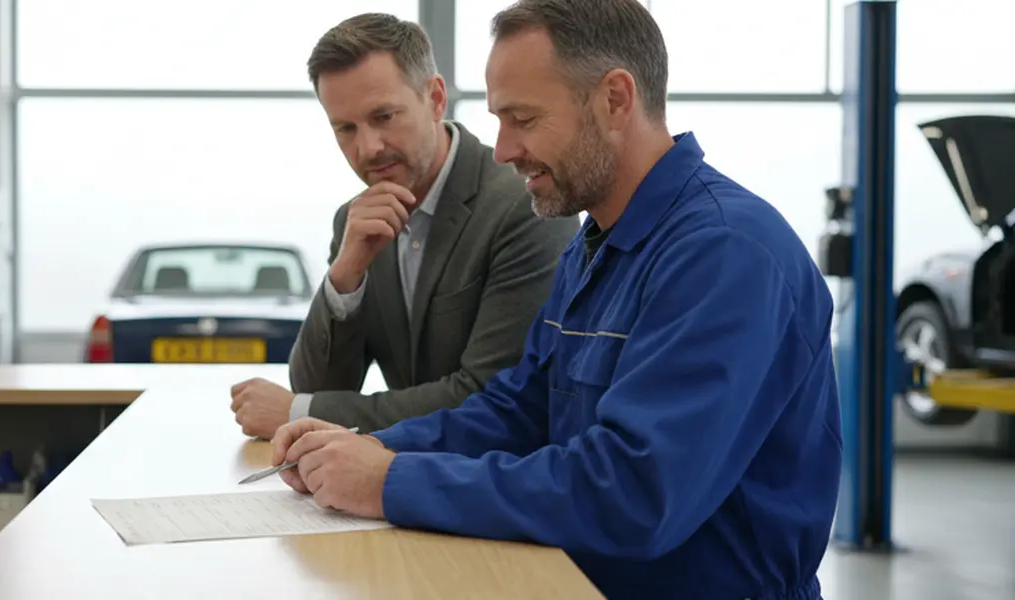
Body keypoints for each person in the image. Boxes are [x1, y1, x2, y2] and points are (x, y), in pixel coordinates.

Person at [266, 1, 843, 599]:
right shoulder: (597, 245)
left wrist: (393, 481)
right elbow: (520, 409)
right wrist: (374, 446)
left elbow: (634, 494)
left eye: (523, 118)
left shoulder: (725, 254)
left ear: (615, 99)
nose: (502, 150)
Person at [230, 13, 579, 440]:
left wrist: (299, 411)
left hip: (496, 481)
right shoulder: (356, 221)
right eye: (345, 128)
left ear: (435, 99)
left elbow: (489, 399)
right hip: (396, 478)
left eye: (384, 116)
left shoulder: (523, 204)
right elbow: (321, 387)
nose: (368, 147)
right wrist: (345, 275)